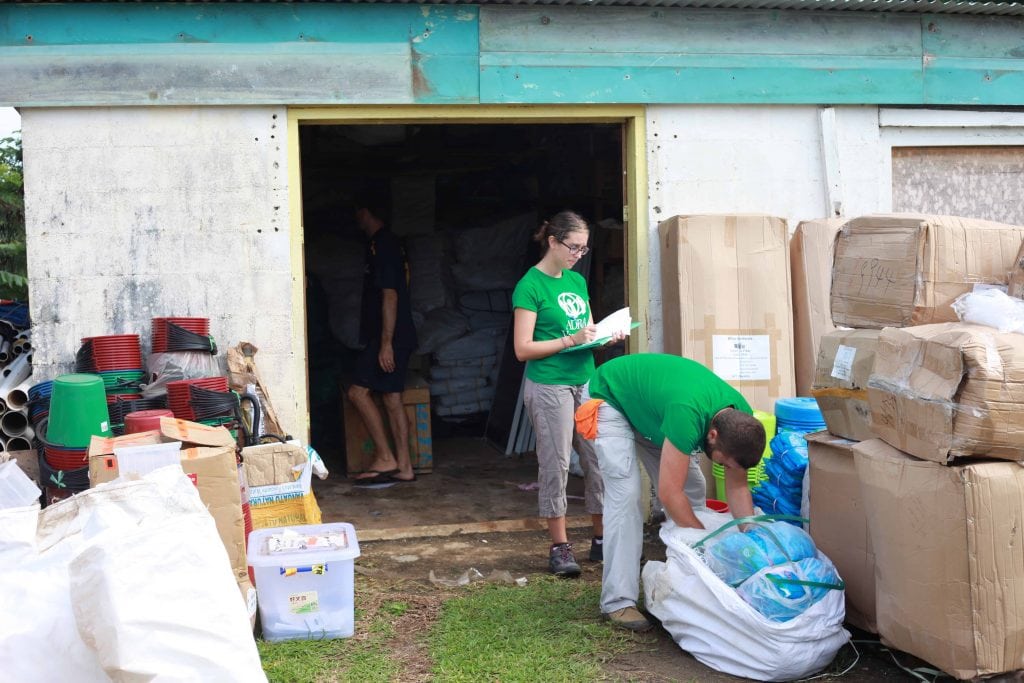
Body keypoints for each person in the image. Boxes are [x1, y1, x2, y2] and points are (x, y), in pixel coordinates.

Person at [575, 353, 765, 631]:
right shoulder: (686, 413)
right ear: (712, 436)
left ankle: (686, 580)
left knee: (694, 490)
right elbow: (668, 493)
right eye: (721, 461)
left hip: (650, 413)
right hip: (610, 397)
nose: (723, 467)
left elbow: (737, 485)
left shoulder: (741, 422)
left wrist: (751, 534)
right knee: (626, 497)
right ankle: (618, 602)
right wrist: (702, 540)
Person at [512, 210, 621, 576]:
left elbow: (587, 332)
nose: (578, 254)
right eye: (573, 247)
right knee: (556, 462)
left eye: (584, 249)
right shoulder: (530, 286)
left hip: (585, 379)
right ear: (553, 242)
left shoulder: (575, 282)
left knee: (597, 457)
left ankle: (602, 539)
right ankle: (559, 546)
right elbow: (523, 349)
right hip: (549, 384)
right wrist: (568, 341)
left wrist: (606, 335)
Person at [348, 190, 418, 486]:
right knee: (391, 397)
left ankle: (385, 457)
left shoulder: (383, 244)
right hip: (396, 334)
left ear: (365, 211)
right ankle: (404, 467)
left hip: (389, 335)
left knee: (357, 392)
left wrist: (385, 343)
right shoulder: (390, 243)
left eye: (357, 212)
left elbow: (390, 294)